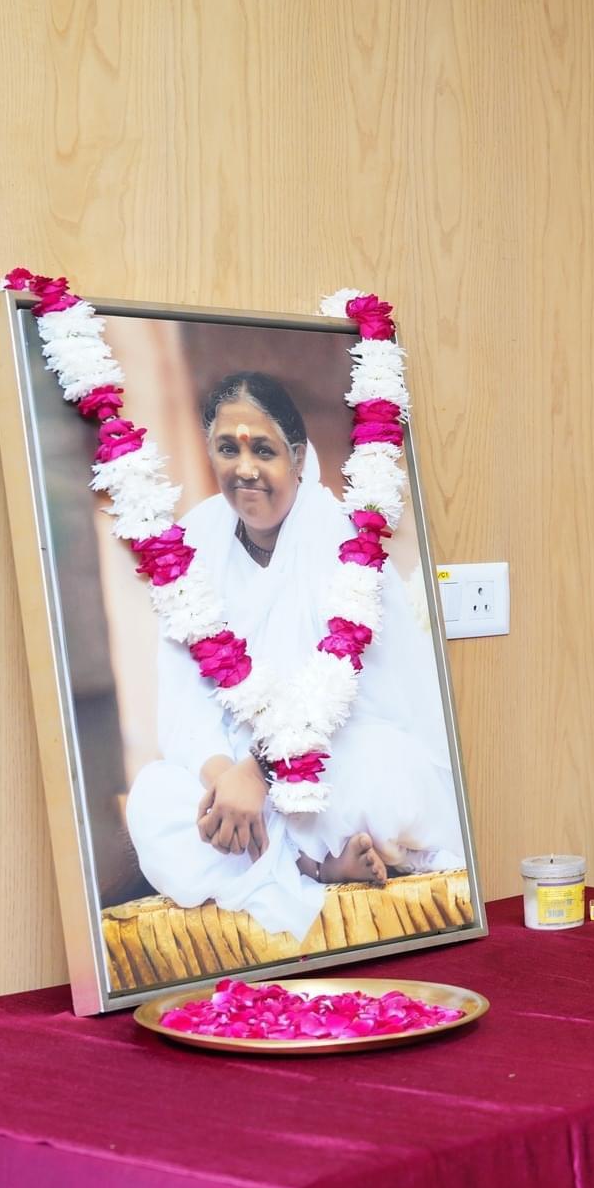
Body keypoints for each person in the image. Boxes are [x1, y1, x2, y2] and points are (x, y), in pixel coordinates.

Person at [125, 371, 466, 943]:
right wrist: (226, 783)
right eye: (227, 448)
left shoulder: (345, 544)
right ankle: (313, 867)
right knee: (155, 802)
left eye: (264, 449)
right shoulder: (194, 541)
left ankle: (291, 862)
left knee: (382, 777)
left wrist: (264, 772)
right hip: (236, 775)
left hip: (335, 757)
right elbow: (183, 701)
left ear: (300, 457)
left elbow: (358, 701)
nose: (245, 467)